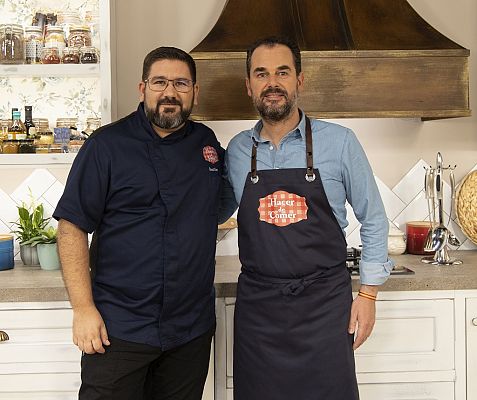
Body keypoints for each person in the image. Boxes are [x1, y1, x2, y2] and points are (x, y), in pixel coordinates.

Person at [54, 46, 236, 400]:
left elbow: (215, 206)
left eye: (181, 83)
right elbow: (71, 226)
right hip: (118, 328)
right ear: (143, 89)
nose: (170, 93)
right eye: (160, 82)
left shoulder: (207, 144)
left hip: (190, 331)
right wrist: (83, 309)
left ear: (195, 92)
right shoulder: (106, 145)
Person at [226, 36, 395, 400]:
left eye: (282, 72)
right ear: (249, 86)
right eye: (261, 74)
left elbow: (375, 219)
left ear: (299, 80)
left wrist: (368, 294)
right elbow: (215, 211)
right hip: (259, 311)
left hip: (325, 306)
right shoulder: (237, 151)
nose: (272, 83)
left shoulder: (340, 142)